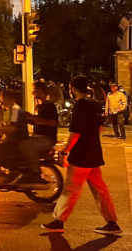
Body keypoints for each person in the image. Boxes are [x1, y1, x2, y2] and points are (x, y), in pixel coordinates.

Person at [42, 76, 122, 235]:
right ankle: (112, 222)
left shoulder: (80, 106)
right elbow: (100, 127)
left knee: (70, 189)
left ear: (72, 88)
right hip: (94, 154)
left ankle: (59, 221)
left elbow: (76, 132)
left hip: (80, 156)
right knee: (100, 190)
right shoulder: (95, 104)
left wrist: (65, 151)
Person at [19, 81, 58, 184]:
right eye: (34, 91)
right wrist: (26, 119)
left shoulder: (50, 106)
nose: (35, 93)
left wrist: (33, 117)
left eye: (37, 91)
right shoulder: (38, 107)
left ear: (44, 92)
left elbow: (52, 123)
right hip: (38, 137)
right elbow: (37, 122)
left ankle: (36, 174)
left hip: (47, 139)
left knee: (26, 146)